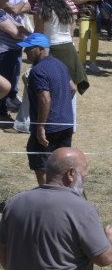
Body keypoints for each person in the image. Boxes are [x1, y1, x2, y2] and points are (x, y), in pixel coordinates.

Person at [21, 33, 77, 184]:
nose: (25, 52)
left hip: (49, 128)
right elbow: (73, 88)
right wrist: (60, 106)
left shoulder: (37, 71)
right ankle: (63, 198)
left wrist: (40, 128)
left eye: (28, 48)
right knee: (62, 166)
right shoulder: (60, 65)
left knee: (42, 166)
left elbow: (45, 99)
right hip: (65, 124)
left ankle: (47, 199)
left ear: (40, 49)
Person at [70, 0, 107, 74]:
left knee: (95, 39)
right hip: (84, 15)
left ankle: (92, 63)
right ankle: (82, 63)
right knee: (82, 38)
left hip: (96, 16)